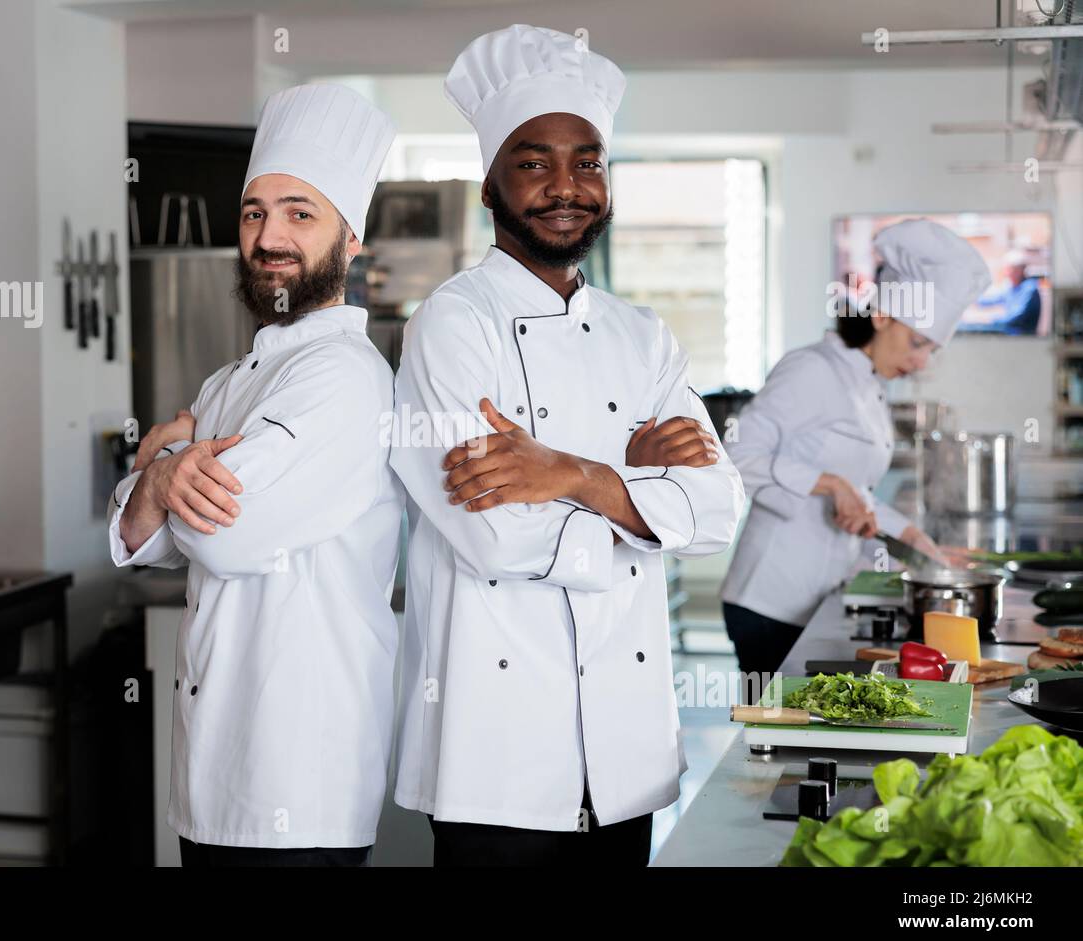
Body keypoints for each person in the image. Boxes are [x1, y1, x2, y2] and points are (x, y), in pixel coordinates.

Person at [389, 24, 745, 867]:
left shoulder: (643, 334)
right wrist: (639, 493)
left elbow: (721, 507)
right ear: (489, 184)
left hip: (626, 753)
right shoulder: (449, 324)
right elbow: (495, 536)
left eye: (586, 161)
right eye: (533, 160)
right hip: (497, 759)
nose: (565, 186)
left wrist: (572, 473)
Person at [107, 83, 400, 866]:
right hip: (210, 774)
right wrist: (161, 486)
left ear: (351, 239)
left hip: (296, 784)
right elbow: (133, 533)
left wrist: (163, 467)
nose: (269, 236)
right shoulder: (231, 380)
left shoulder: (344, 378)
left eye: (300, 213)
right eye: (253, 212)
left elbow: (225, 536)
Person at [720, 218, 991, 697]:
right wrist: (830, 484)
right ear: (883, 314)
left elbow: (858, 491)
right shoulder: (813, 370)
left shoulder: (869, 384)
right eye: (918, 343)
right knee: (773, 737)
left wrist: (921, 547)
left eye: (931, 349)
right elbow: (735, 456)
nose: (922, 362)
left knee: (803, 734)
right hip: (769, 600)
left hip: (817, 595)